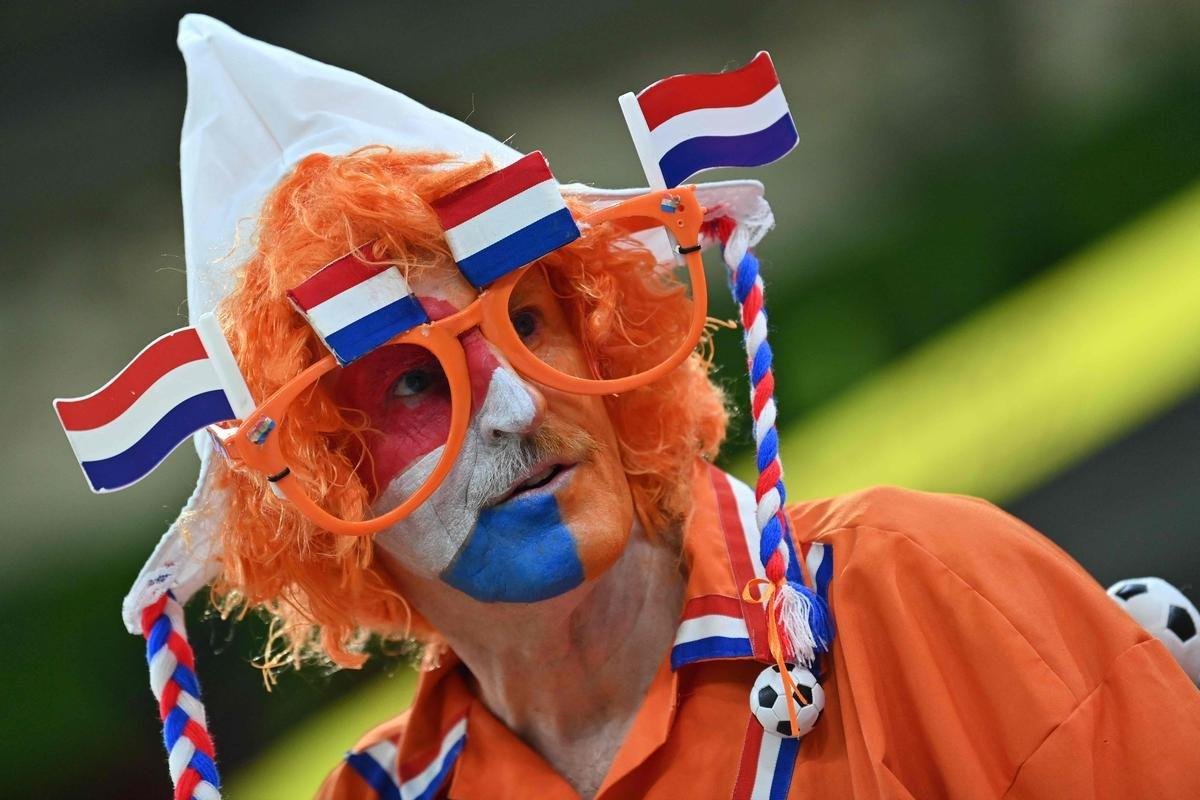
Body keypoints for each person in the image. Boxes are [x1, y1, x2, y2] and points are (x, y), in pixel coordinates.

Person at [58, 15, 1200, 800]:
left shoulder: (915, 591)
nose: (509, 398)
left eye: (530, 319)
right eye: (413, 380)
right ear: (322, 487)